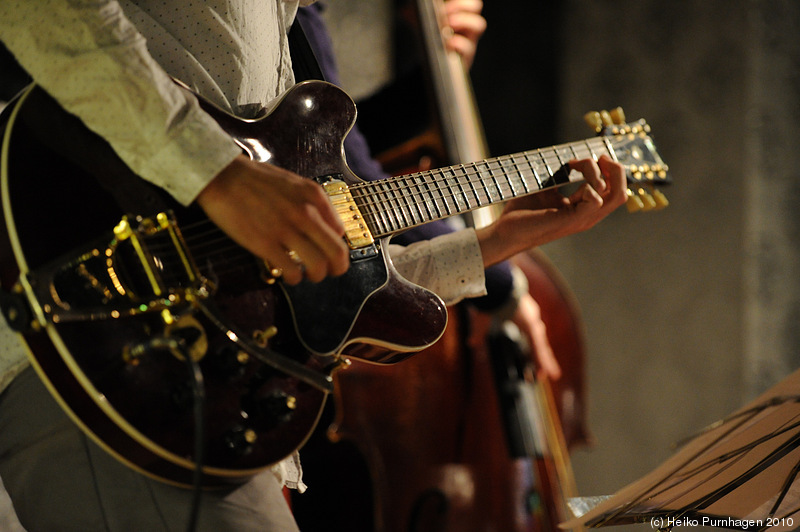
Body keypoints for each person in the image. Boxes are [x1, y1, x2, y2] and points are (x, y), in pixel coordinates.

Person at [0, 1, 626, 530]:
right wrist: (216, 174)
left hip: (205, 377)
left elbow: (331, 269)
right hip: (112, 334)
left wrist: (498, 241)